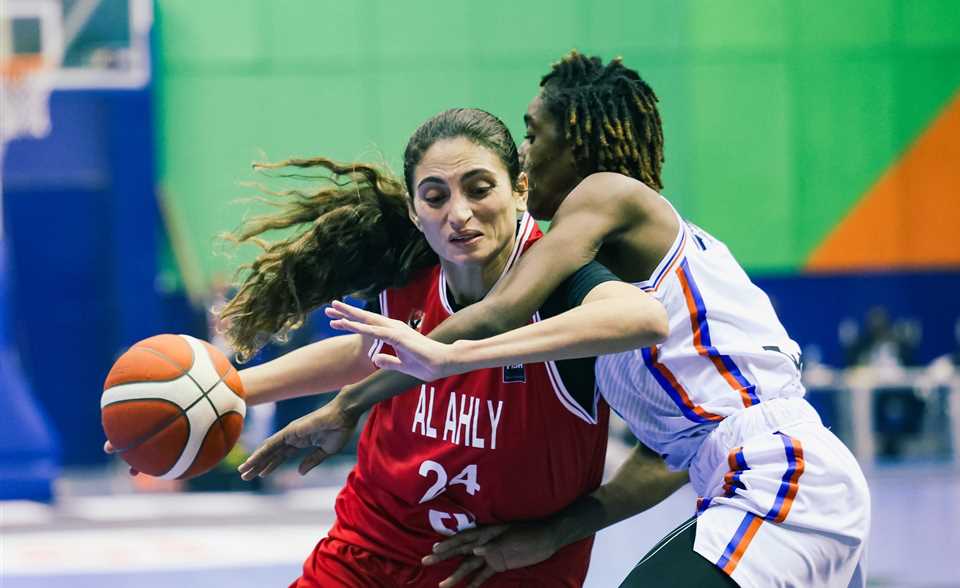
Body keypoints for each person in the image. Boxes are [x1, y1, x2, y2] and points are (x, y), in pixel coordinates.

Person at [243, 52, 871, 587]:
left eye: (533, 134)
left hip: (780, 474)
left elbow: (501, 312)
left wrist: (379, 390)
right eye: (435, 197)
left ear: (577, 142)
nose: (526, 153)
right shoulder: (605, 269)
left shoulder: (604, 195)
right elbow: (667, 456)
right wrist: (555, 532)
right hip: (738, 474)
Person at [217, 108, 667, 586]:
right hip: (371, 546)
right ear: (415, 210)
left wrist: (558, 533)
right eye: (435, 197)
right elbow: (364, 354)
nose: (459, 214)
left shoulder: (562, 283)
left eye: (480, 189)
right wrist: (224, 393)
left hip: (504, 566)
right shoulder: (410, 270)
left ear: (520, 189)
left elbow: (644, 320)